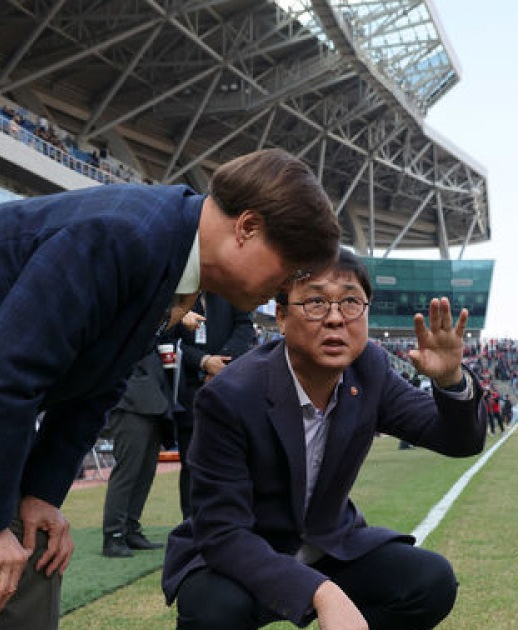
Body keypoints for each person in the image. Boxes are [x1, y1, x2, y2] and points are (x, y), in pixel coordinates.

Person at [0, 148, 339, 630]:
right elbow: (6, 374)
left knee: (36, 555)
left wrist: (39, 494)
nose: (285, 289)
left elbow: (97, 384)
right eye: (290, 269)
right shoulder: (126, 234)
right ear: (247, 227)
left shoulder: (169, 249)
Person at [162, 250, 486, 630]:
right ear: (281, 318)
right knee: (214, 611)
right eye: (316, 302)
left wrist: (450, 382)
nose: (335, 318)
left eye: (350, 302)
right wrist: (323, 592)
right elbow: (222, 533)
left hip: (328, 543)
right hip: (245, 551)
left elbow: (458, 441)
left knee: (430, 582)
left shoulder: (370, 370)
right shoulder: (230, 395)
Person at [172, 291, 256, 519]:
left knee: (232, 457)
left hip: (230, 385)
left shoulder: (231, 292)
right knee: (191, 461)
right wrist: (205, 362)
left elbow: (244, 327)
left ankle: (228, 519)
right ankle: (190, 523)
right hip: (190, 390)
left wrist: (222, 362)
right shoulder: (177, 298)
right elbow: (169, 341)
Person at [101, 347, 175, 558]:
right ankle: (113, 535)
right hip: (129, 400)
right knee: (128, 472)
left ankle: (130, 529)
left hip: (153, 399)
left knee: (145, 472)